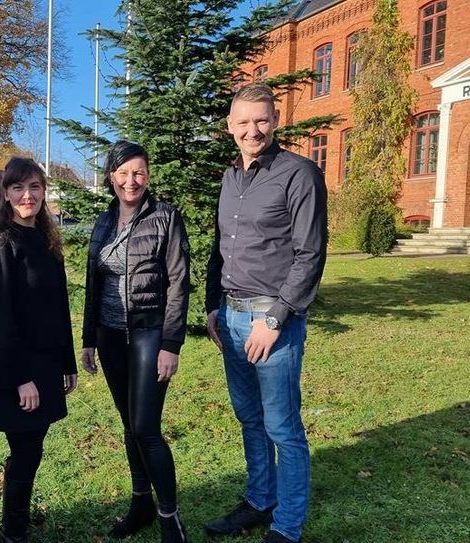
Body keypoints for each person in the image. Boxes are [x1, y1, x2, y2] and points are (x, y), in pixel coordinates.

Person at [203, 83, 328, 543]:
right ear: (229, 127)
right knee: (249, 418)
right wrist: (212, 307)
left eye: (261, 121)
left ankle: (287, 525)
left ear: (274, 121)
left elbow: (310, 253)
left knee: (282, 427)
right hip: (231, 318)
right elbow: (221, 249)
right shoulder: (230, 178)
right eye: (243, 122)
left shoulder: (300, 174)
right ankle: (260, 499)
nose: (252, 130)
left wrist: (275, 318)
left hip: (272, 321)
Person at [81, 141, 191, 543]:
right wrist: (89, 339)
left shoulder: (165, 218)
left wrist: (171, 344)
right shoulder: (103, 222)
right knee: (129, 425)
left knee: (146, 427)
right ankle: (141, 503)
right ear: (112, 177)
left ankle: (169, 518)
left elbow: (179, 283)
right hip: (110, 338)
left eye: (139, 172)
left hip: (148, 333)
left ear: (148, 176)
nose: (132, 181)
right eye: (124, 173)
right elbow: (94, 282)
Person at [0, 157, 78, 543]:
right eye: (18, 187)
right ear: (4, 193)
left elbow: (59, 308)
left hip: (49, 363)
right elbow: (0, 319)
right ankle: (13, 532)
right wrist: (22, 379)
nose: (27, 195)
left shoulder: (48, 240)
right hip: (18, 369)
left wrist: (67, 362)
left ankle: (14, 520)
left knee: (31, 448)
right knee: (26, 450)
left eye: (34, 186)